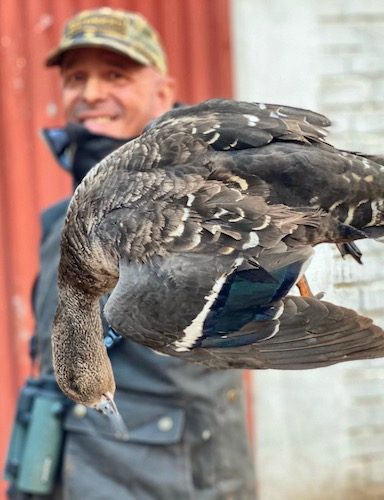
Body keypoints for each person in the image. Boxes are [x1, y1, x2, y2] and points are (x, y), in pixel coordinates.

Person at [6, 7, 255, 500]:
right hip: (65, 467)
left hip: (169, 478)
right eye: (76, 77)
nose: (91, 94)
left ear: (163, 93)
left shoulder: (209, 202)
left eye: (116, 74)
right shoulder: (62, 216)